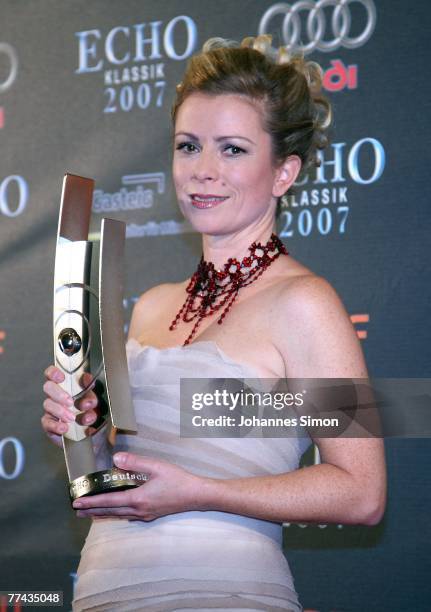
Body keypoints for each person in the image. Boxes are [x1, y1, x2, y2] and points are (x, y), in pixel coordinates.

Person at [42, 35, 386, 612]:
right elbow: (118, 477)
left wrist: (200, 494)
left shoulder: (304, 303)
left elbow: (360, 491)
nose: (203, 171)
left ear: (283, 172)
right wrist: (82, 433)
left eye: (232, 149)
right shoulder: (152, 306)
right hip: (105, 590)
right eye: (188, 145)